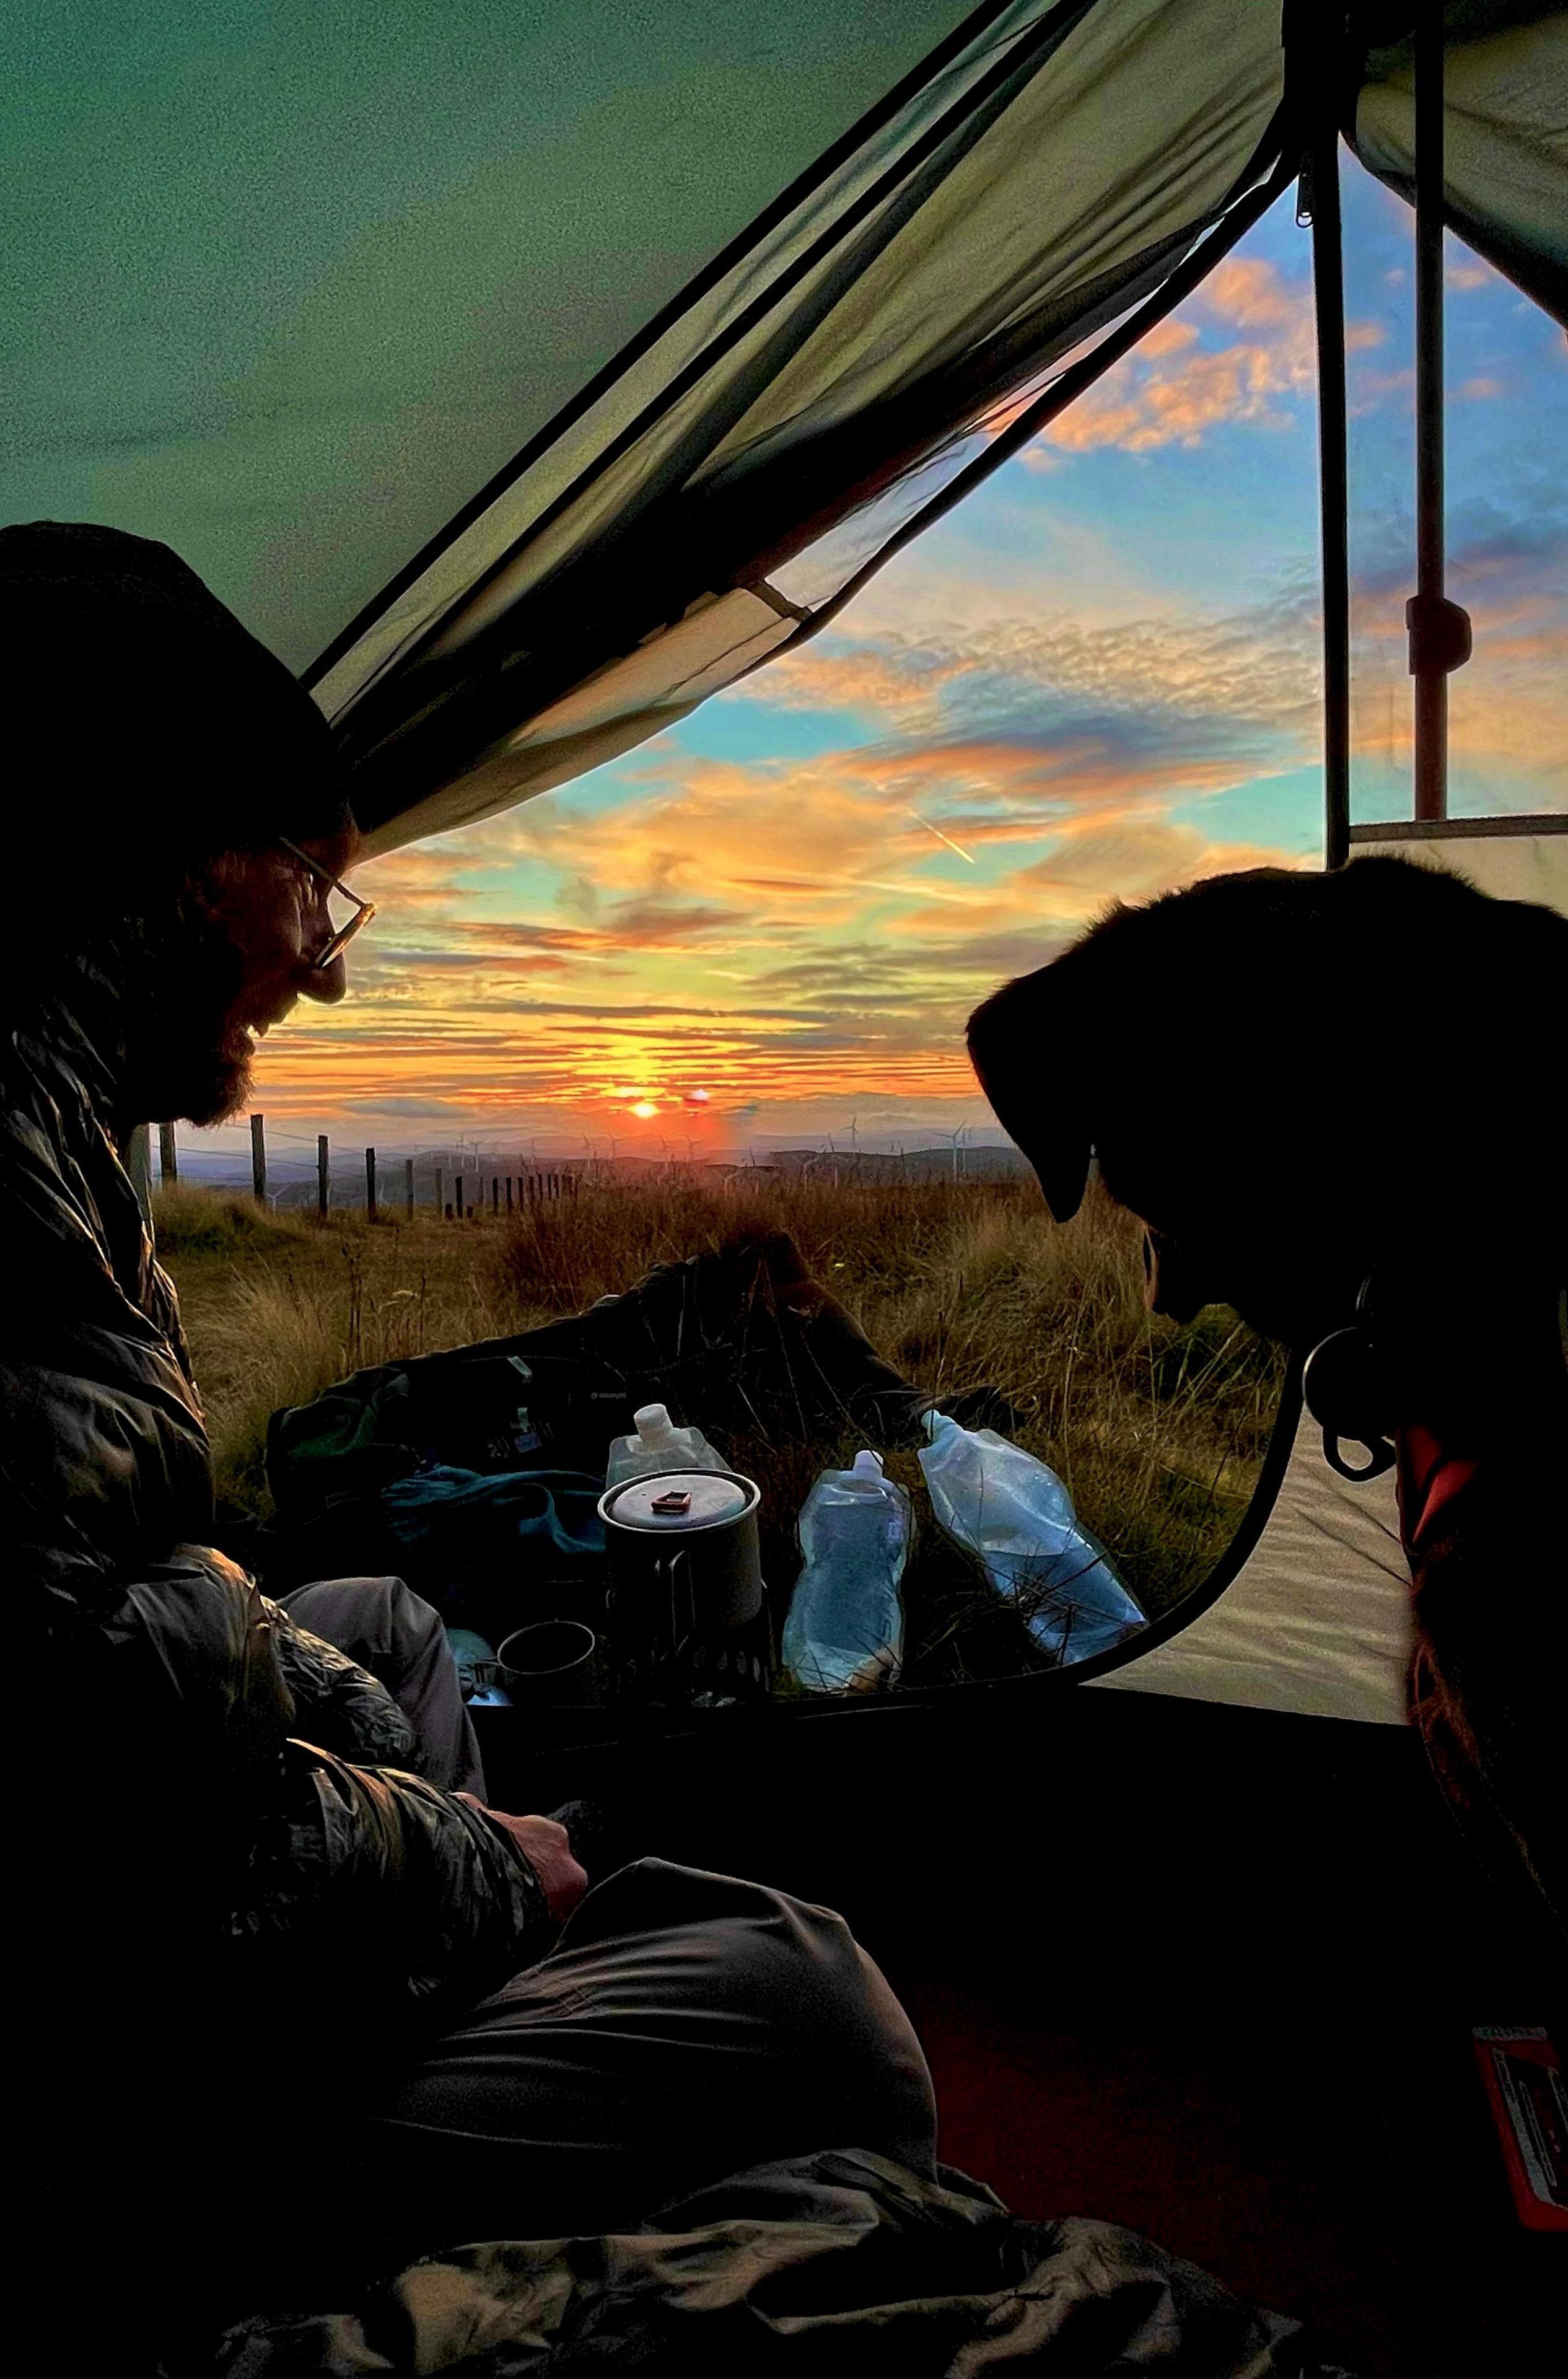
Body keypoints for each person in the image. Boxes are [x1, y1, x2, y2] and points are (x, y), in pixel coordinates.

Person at [1, 524, 934, 2359]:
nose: (323, 971)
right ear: (185, 849)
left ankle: (487, 1964)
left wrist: (374, 1776)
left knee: (381, 1624)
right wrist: (486, 1866)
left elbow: (116, 1650)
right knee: (805, 1998)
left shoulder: (44, 1115)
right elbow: (90, 1827)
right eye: (312, 889)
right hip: (81, 2130)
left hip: (117, 1944)